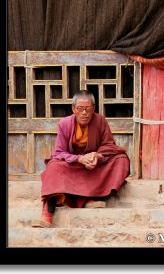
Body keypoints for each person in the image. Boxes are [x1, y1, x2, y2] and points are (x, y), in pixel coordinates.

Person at [32, 89, 130, 228]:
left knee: (121, 160)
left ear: (93, 109)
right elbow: (59, 152)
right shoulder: (64, 124)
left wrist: (96, 156)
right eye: (80, 109)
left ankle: (92, 197)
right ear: (73, 109)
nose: (84, 113)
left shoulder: (100, 120)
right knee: (54, 166)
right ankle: (48, 211)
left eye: (88, 109)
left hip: (94, 165)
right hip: (74, 164)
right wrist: (79, 159)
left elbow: (109, 145)